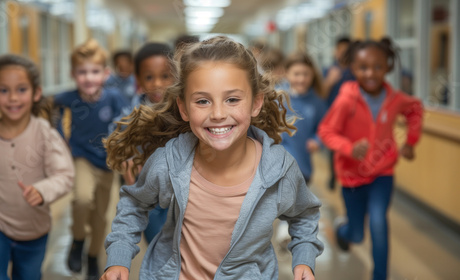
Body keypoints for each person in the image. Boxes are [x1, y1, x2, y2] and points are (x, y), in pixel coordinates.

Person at [101, 36, 323, 280]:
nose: (218, 114)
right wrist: (118, 259)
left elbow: (304, 214)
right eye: (203, 101)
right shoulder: (168, 163)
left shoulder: (279, 170)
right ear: (184, 108)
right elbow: (134, 204)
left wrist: (304, 259)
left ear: (256, 103)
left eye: (232, 99)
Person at [0, 54, 74, 280]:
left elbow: (65, 174)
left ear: (36, 93)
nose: (12, 98)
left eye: (21, 90)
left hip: (33, 229)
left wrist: (43, 190)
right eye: (3, 91)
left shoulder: (44, 133)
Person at [318, 38, 423, 280]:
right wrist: (348, 147)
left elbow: (415, 109)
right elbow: (326, 131)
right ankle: (343, 232)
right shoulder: (346, 100)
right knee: (357, 235)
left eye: (377, 67)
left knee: (378, 222)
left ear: (388, 67)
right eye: (363, 67)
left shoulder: (395, 98)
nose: (371, 73)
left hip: (382, 174)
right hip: (352, 177)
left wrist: (410, 142)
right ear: (352, 69)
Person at [50, 38, 126, 279]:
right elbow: (52, 107)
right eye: (82, 72)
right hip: (81, 157)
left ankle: (94, 256)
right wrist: (61, 137)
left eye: (94, 72)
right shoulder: (69, 97)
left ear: (105, 73)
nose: (88, 78)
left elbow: (124, 122)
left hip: (107, 163)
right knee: (82, 199)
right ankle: (77, 240)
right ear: (74, 74)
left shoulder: (113, 97)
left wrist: (119, 142)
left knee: (100, 216)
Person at [112, 42, 175, 243]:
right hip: (147, 192)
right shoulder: (130, 114)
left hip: (180, 193)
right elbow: (117, 141)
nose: (157, 83)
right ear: (138, 79)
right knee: (157, 244)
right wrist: (127, 166)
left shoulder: (186, 111)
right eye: (149, 77)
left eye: (165, 76)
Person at [281, 52, 327, 184]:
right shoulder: (277, 98)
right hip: (278, 168)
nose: (301, 79)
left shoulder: (317, 102)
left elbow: (324, 128)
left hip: (303, 168)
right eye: (296, 74)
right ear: (287, 74)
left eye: (306, 74)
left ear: (312, 75)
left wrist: (317, 141)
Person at [323, 36, 355, 190]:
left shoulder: (355, 72)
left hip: (351, 121)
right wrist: (329, 81)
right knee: (333, 149)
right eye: (340, 51)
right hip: (333, 120)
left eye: (346, 51)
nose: (343, 54)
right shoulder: (329, 71)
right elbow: (321, 94)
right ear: (335, 52)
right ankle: (334, 175)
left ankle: (345, 176)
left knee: (347, 148)